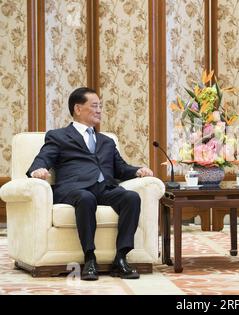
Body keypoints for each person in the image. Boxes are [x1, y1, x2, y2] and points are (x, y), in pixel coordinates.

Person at [27, 87, 154, 281]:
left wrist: (137, 170)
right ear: (78, 109)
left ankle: (120, 258)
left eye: (100, 106)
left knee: (131, 197)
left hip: (104, 188)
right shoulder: (59, 136)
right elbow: (44, 158)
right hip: (73, 189)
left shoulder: (107, 141)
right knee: (86, 198)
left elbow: (120, 168)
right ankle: (90, 258)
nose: (99, 110)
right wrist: (38, 170)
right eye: (94, 106)